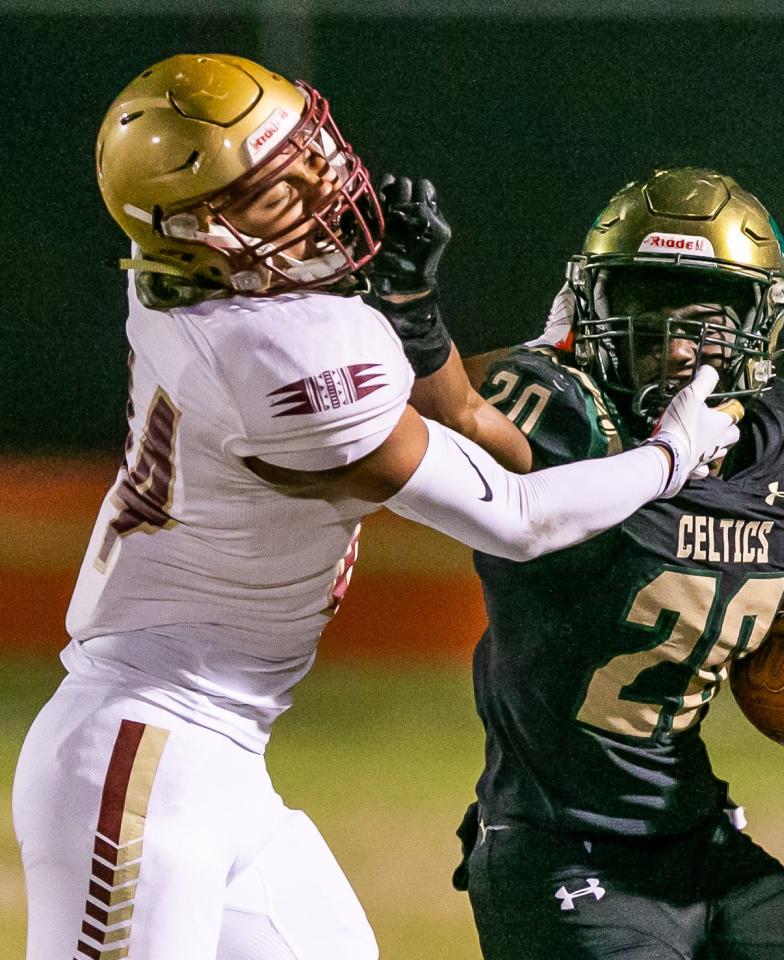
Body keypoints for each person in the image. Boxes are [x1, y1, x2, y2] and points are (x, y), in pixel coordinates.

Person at [11, 59, 740, 960]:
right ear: (206, 230)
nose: (324, 186)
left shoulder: (195, 280)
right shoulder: (275, 352)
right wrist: (669, 454)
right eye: (279, 191)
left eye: (312, 152)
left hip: (220, 756)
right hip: (142, 748)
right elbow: (518, 513)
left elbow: (446, 409)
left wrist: (408, 313)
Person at [456, 167, 784, 960]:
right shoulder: (564, 418)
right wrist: (436, 328)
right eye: (645, 313)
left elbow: (782, 637)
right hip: (555, 844)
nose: (677, 346)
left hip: (697, 839)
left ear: (757, 323)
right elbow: (404, 408)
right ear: (594, 307)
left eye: (706, 319)